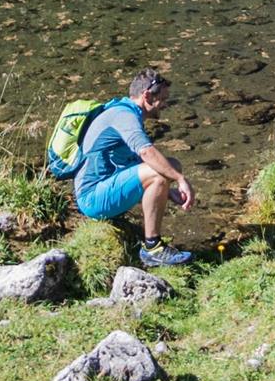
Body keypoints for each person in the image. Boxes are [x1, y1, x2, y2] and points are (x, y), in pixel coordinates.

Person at [71, 68, 196, 268]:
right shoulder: (124, 116)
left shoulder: (125, 111)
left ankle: (152, 240)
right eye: (162, 99)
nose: (165, 104)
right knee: (159, 173)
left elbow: (130, 163)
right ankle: (152, 248)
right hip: (92, 198)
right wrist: (181, 180)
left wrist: (167, 190)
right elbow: (146, 153)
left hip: (106, 186)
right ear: (147, 95)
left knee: (171, 165)